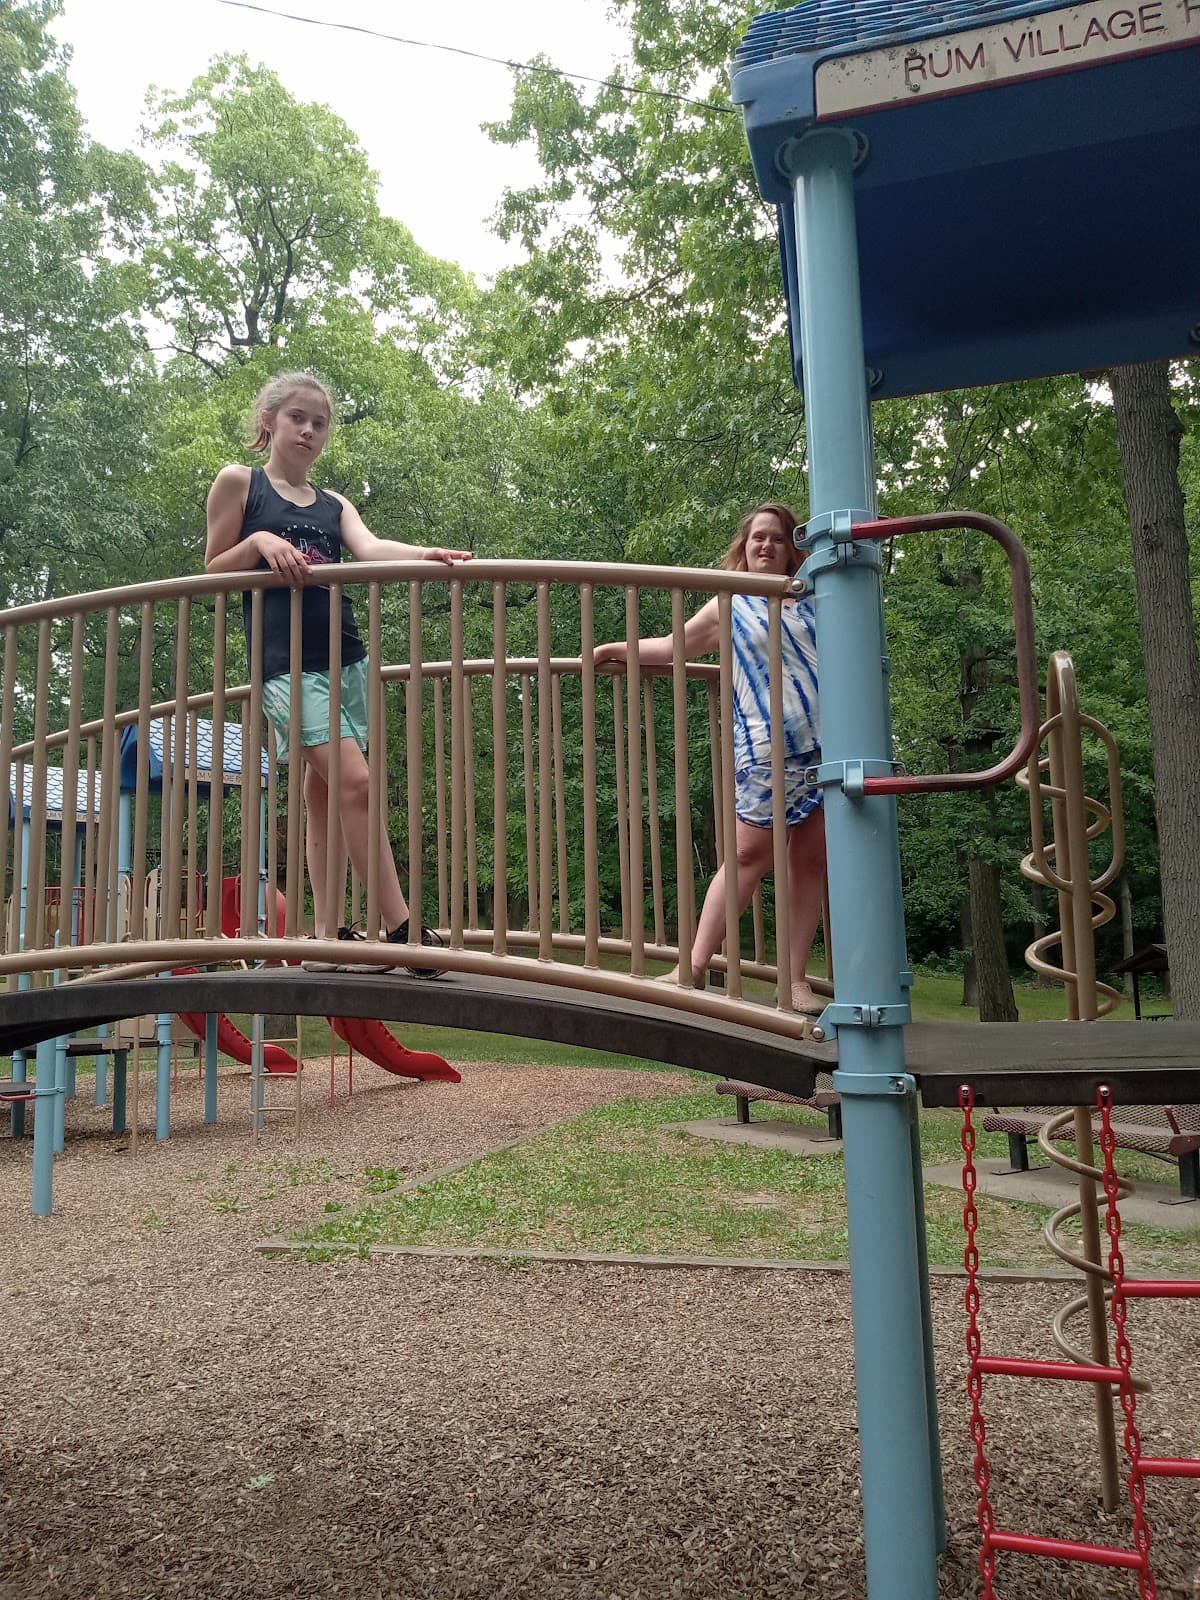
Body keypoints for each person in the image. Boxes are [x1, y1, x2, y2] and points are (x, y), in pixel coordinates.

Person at [204, 370, 470, 972]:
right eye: (297, 418)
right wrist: (258, 544)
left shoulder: (334, 504)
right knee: (356, 781)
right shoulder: (240, 484)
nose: (308, 431)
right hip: (285, 664)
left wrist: (425, 554)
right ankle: (400, 929)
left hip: (347, 657)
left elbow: (370, 548)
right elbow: (213, 568)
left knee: (324, 791)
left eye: (319, 423)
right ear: (268, 421)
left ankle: (326, 934)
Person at [593, 502, 826, 1014]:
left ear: (793, 551)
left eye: (778, 539)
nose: (766, 546)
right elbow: (677, 646)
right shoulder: (732, 602)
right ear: (743, 548)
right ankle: (692, 967)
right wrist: (614, 647)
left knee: (809, 864)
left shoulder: (815, 598)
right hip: (767, 748)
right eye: (757, 538)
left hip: (828, 748)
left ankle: (795, 980)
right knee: (747, 857)